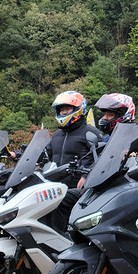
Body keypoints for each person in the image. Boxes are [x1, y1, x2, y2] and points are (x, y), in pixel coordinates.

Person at [40, 91, 103, 228]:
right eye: (61, 109)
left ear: (78, 109)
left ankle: (63, 239)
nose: (63, 112)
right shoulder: (57, 135)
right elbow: (45, 154)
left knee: (61, 202)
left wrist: (87, 176)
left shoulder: (91, 132)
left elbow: (103, 158)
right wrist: (19, 156)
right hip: (56, 185)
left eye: (67, 109)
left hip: (81, 187)